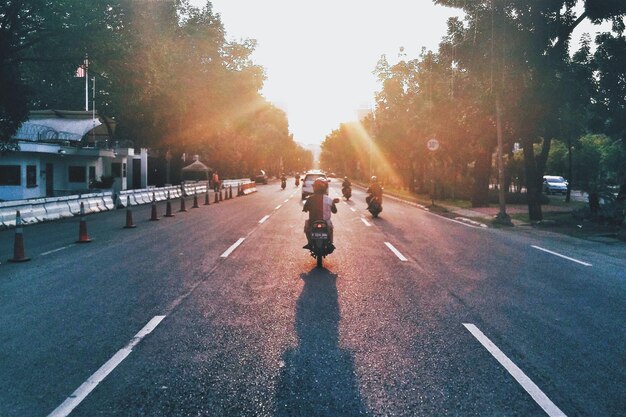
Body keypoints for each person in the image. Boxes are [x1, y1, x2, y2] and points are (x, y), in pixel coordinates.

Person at [302, 178, 338, 251]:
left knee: (306, 226)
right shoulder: (329, 199)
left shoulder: (310, 199)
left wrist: (306, 209)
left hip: (313, 222)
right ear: (325, 188)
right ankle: (330, 243)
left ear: (314, 188)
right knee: (330, 228)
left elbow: (305, 209)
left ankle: (310, 243)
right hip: (326, 222)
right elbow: (335, 211)